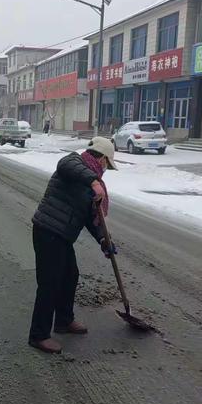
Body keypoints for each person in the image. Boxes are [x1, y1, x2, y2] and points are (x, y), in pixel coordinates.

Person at [28, 137, 118, 354]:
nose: (106, 169)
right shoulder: (74, 163)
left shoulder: (90, 185)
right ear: (103, 158)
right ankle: (38, 335)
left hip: (62, 236)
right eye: (108, 163)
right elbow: (67, 165)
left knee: (70, 276)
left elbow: (91, 217)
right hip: (48, 231)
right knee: (49, 284)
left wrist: (104, 240)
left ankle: (63, 321)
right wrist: (94, 181)